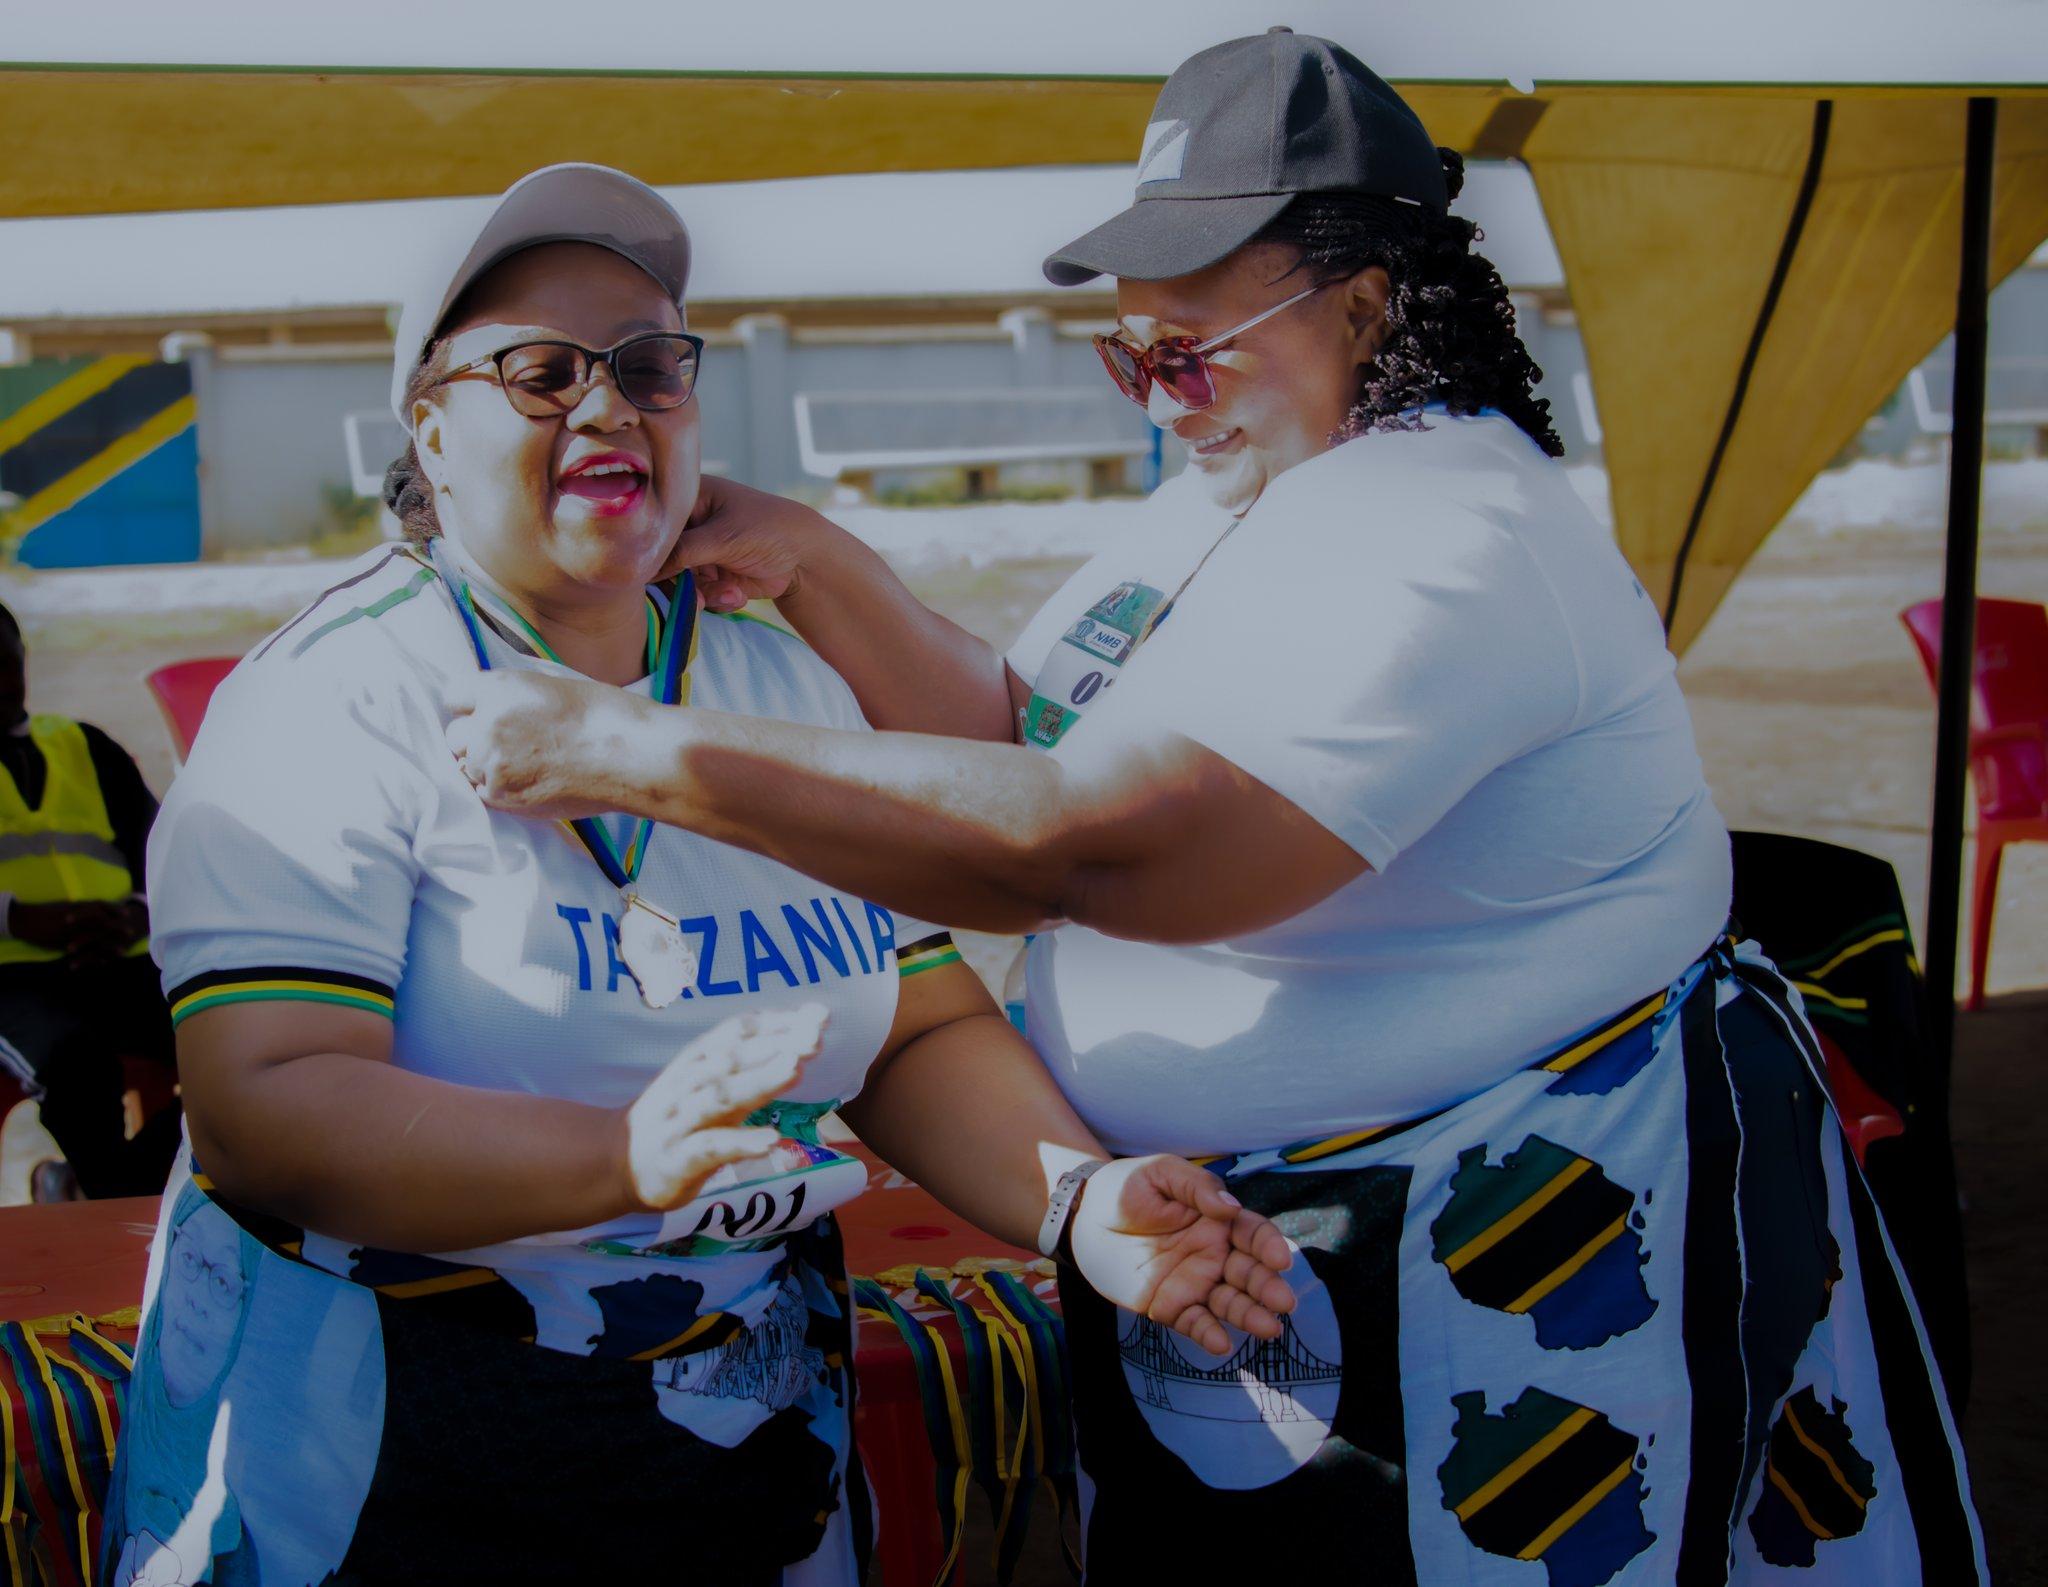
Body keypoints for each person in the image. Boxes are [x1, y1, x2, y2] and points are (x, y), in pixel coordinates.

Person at [448, 35, 1987, 1584]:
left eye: (1188, 351)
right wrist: (823, 569)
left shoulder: (1453, 534)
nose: (1163, 400)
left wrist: (637, 748)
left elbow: (1108, 846)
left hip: (1506, 1254)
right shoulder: (1238, 494)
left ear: (1367, 303)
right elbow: (1026, 731)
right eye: (1131, 360)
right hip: (1259, 1249)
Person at [108, 164, 1290, 1587]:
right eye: (541, 373)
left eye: (648, 367)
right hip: (377, 1443)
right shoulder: (331, 696)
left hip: (735, 1438)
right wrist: (617, 1162)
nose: (608, 406)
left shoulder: (778, 681)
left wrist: (1080, 1202)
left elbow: (912, 1023)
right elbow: (266, 1107)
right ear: (428, 429)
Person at [0, 599, 178, 1199]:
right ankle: (112, 1194)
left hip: (120, 959)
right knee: (78, 1069)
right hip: (12, 978)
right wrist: (17, 918)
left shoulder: (83, 744)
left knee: (234, 1035)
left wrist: (136, 913)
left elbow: (161, 848)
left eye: (6, 662)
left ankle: (96, 1188)